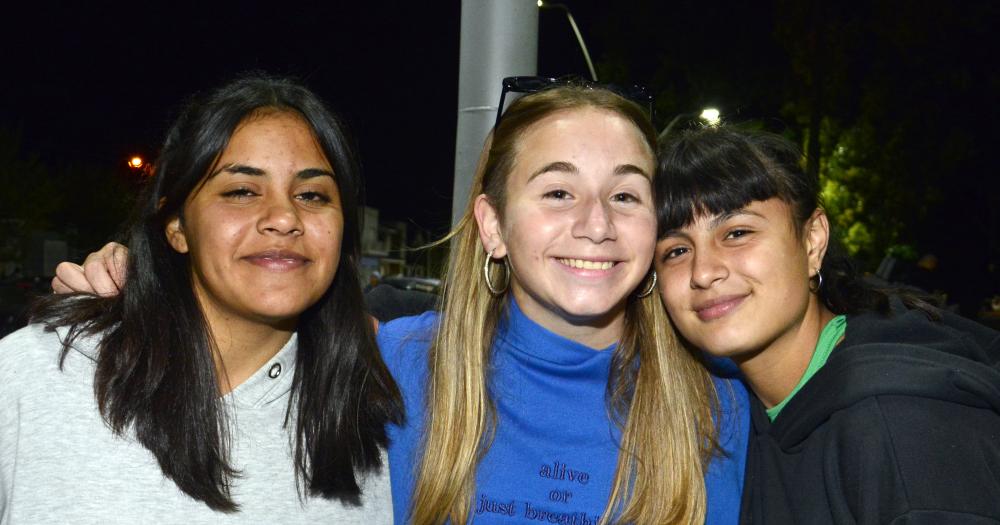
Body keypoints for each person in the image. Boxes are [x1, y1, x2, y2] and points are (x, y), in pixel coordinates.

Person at [51, 79, 750, 524]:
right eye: (558, 191)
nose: (596, 223)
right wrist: (135, 289)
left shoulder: (721, 401)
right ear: (493, 225)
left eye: (626, 194)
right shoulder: (390, 365)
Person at [0, 75, 401, 523]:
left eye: (312, 195)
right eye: (242, 191)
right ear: (176, 225)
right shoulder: (38, 375)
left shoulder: (384, 416)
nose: (285, 217)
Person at [653, 126, 1000, 523]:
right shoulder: (741, 415)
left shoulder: (900, 430)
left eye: (737, 233)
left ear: (812, 240)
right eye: (676, 250)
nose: (704, 271)